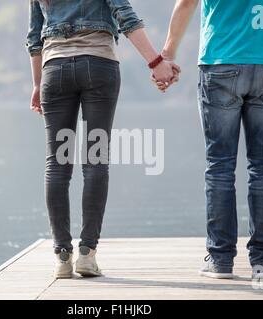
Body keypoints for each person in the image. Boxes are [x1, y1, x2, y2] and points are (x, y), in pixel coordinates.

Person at [26, 0, 179, 279]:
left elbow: (34, 37)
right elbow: (125, 15)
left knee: (57, 164)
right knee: (95, 160)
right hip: (98, 66)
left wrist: (37, 83)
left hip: (54, 71)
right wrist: (156, 62)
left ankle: (62, 257)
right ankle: (87, 254)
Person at [158, 0, 263, 278]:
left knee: (220, 166)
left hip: (221, 62)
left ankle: (220, 260)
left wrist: (167, 54)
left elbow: (187, 3)